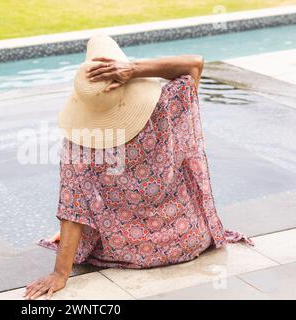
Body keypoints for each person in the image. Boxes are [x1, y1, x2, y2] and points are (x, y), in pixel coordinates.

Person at [24, 35, 252, 300]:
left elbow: (73, 210)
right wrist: (134, 70)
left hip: (122, 249)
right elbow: (194, 64)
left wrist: (60, 274)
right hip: (186, 239)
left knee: (83, 214)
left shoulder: (79, 145)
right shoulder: (165, 106)